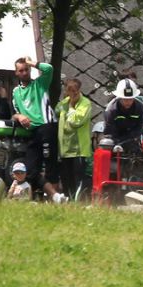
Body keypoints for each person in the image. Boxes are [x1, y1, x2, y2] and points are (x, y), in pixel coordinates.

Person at [12, 56, 64, 202]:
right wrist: (20, 116)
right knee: (30, 168)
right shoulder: (16, 91)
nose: (24, 73)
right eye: (21, 70)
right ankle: (55, 196)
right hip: (32, 131)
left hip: (46, 126)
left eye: (26, 69)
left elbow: (49, 69)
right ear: (16, 73)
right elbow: (14, 113)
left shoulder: (39, 84)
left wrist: (31, 62)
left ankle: (54, 200)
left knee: (50, 164)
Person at [56, 77, 93, 198]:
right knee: (66, 178)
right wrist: (65, 103)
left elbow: (76, 121)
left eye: (75, 91)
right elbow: (56, 111)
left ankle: (78, 201)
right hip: (64, 148)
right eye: (69, 91)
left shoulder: (85, 103)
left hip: (79, 149)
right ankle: (68, 200)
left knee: (78, 179)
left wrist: (71, 106)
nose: (72, 94)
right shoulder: (63, 103)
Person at [103, 79, 143, 149]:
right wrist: (116, 142)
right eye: (125, 99)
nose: (128, 102)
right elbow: (109, 131)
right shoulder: (112, 110)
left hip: (132, 140)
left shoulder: (139, 108)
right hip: (114, 141)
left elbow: (140, 126)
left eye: (131, 99)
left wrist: (130, 139)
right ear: (120, 98)